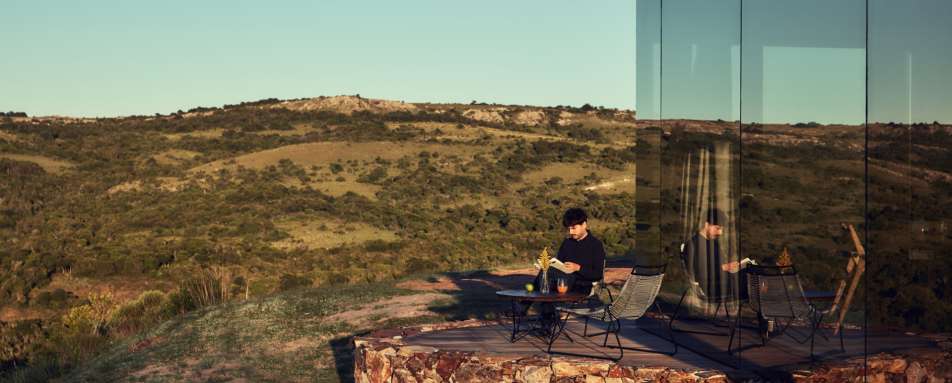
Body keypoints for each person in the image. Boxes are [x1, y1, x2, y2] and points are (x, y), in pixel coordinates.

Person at [681, 208, 748, 302]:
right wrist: (724, 268)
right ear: (707, 224)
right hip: (711, 286)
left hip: (723, 281)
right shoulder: (693, 245)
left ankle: (764, 309)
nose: (720, 233)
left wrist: (732, 267)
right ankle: (765, 310)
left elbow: (719, 265)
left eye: (721, 229)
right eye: (717, 228)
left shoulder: (713, 244)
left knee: (751, 272)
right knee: (752, 280)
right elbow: (699, 273)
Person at [538, 207, 606, 296]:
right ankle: (528, 303)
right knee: (544, 271)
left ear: (584, 225)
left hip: (582, 285)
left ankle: (535, 304)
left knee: (553, 283)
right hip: (562, 281)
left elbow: (597, 274)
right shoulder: (567, 243)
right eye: (569, 229)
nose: (571, 232)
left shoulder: (595, 245)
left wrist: (578, 268)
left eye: (573, 228)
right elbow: (559, 265)